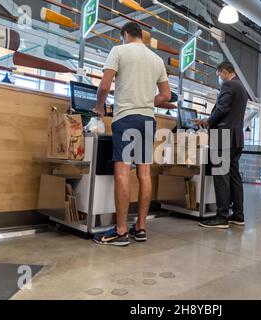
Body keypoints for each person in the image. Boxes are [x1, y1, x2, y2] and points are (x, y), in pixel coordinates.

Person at [92, 22, 171, 246]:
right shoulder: (156, 60)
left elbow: (105, 85)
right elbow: (166, 95)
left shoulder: (119, 50)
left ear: (125, 34)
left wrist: (99, 107)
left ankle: (120, 230)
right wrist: (146, 101)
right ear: (141, 36)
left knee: (123, 173)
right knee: (144, 173)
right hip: (147, 120)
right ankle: (141, 227)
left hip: (126, 119)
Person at [193, 62, 248, 229]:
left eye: (218, 75)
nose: (219, 78)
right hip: (236, 138)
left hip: (223, 136)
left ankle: (222, 217)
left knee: (221, 176)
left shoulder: (229, 84)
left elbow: (222, 109)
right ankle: (238, 215)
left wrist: (208, 122)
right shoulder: (242, 87)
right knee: (234, 176)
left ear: (224, 72)